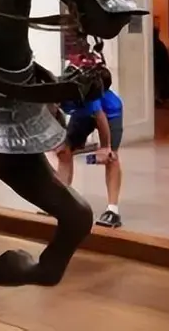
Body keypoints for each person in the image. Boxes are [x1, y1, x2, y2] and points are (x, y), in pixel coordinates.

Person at [54, 59, 124, 228]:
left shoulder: (90, 96)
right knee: (63, 151)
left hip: (109, 113)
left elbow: (101, 119)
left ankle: (112, 210)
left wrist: (105, 147)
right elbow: (53, 113)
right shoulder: (56, 92)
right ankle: (60, 200)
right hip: (82, 114)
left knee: (111, 157)